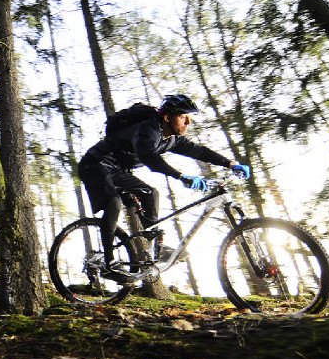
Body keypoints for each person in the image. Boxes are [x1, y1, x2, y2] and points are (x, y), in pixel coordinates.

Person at [78, 94, 251, 281]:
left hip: (117, 170)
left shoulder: (171, 139)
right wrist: (181, 176)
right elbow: (149, 158)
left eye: (190, 117)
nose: (189, 121)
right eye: (184, 116)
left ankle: (155, 250)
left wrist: (231, 164)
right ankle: (109, 264)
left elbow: (199, 151)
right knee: (114, 202)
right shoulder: (148, 129)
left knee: (150, 193)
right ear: (167, 117)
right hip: (94, 164)